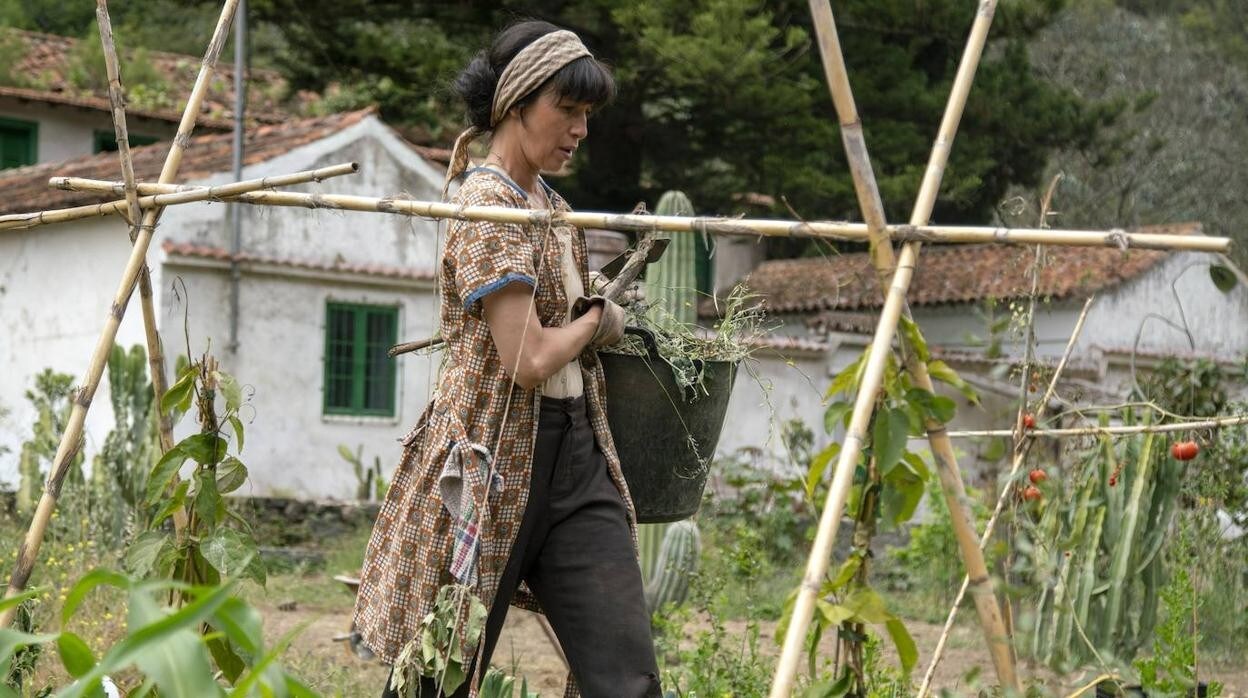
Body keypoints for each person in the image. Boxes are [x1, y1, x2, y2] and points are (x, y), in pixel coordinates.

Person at [353, 20, 662, 698]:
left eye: (586, 115)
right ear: (516, 105)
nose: (580, 129)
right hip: (490, 458)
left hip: (576, 458)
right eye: (567, 111)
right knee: (440, 676)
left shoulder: (549, 207)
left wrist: (586, 322)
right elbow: (528, 358)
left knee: (626, 675)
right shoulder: (490, 206)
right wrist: (599, 322)